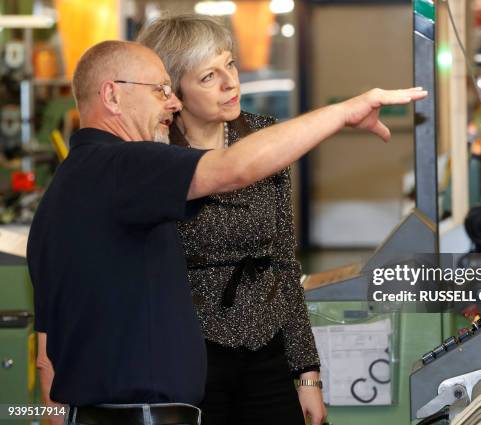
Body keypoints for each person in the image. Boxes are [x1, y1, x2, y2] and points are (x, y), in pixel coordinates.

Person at [29, 39, 426, 425]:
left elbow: (47, 356)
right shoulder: (122, 165)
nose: (172, 102)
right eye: (161, 90)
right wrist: (344, 112)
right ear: (112, 96)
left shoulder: (62, 193)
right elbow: (232, 169)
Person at [137, 14, 324, 425]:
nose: (230, 83)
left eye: (231, 64)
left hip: (267, 348)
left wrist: (307, 375)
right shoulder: (154, 158)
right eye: (208, 76)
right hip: (188, 357)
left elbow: (284, 263)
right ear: (173, 91)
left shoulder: (262, 139)